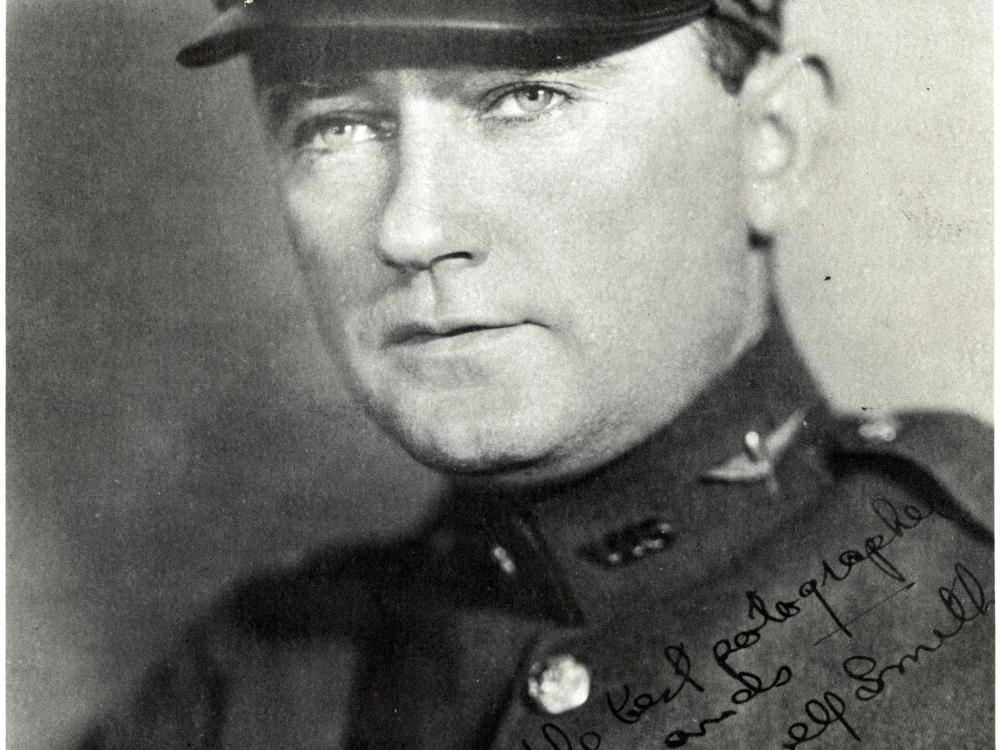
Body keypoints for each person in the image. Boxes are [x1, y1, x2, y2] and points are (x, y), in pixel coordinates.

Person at [74, 1, 993, 748]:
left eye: (524, 97)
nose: (412, 229)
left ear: (773, 141)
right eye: (337, 123)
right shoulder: (248, 691)